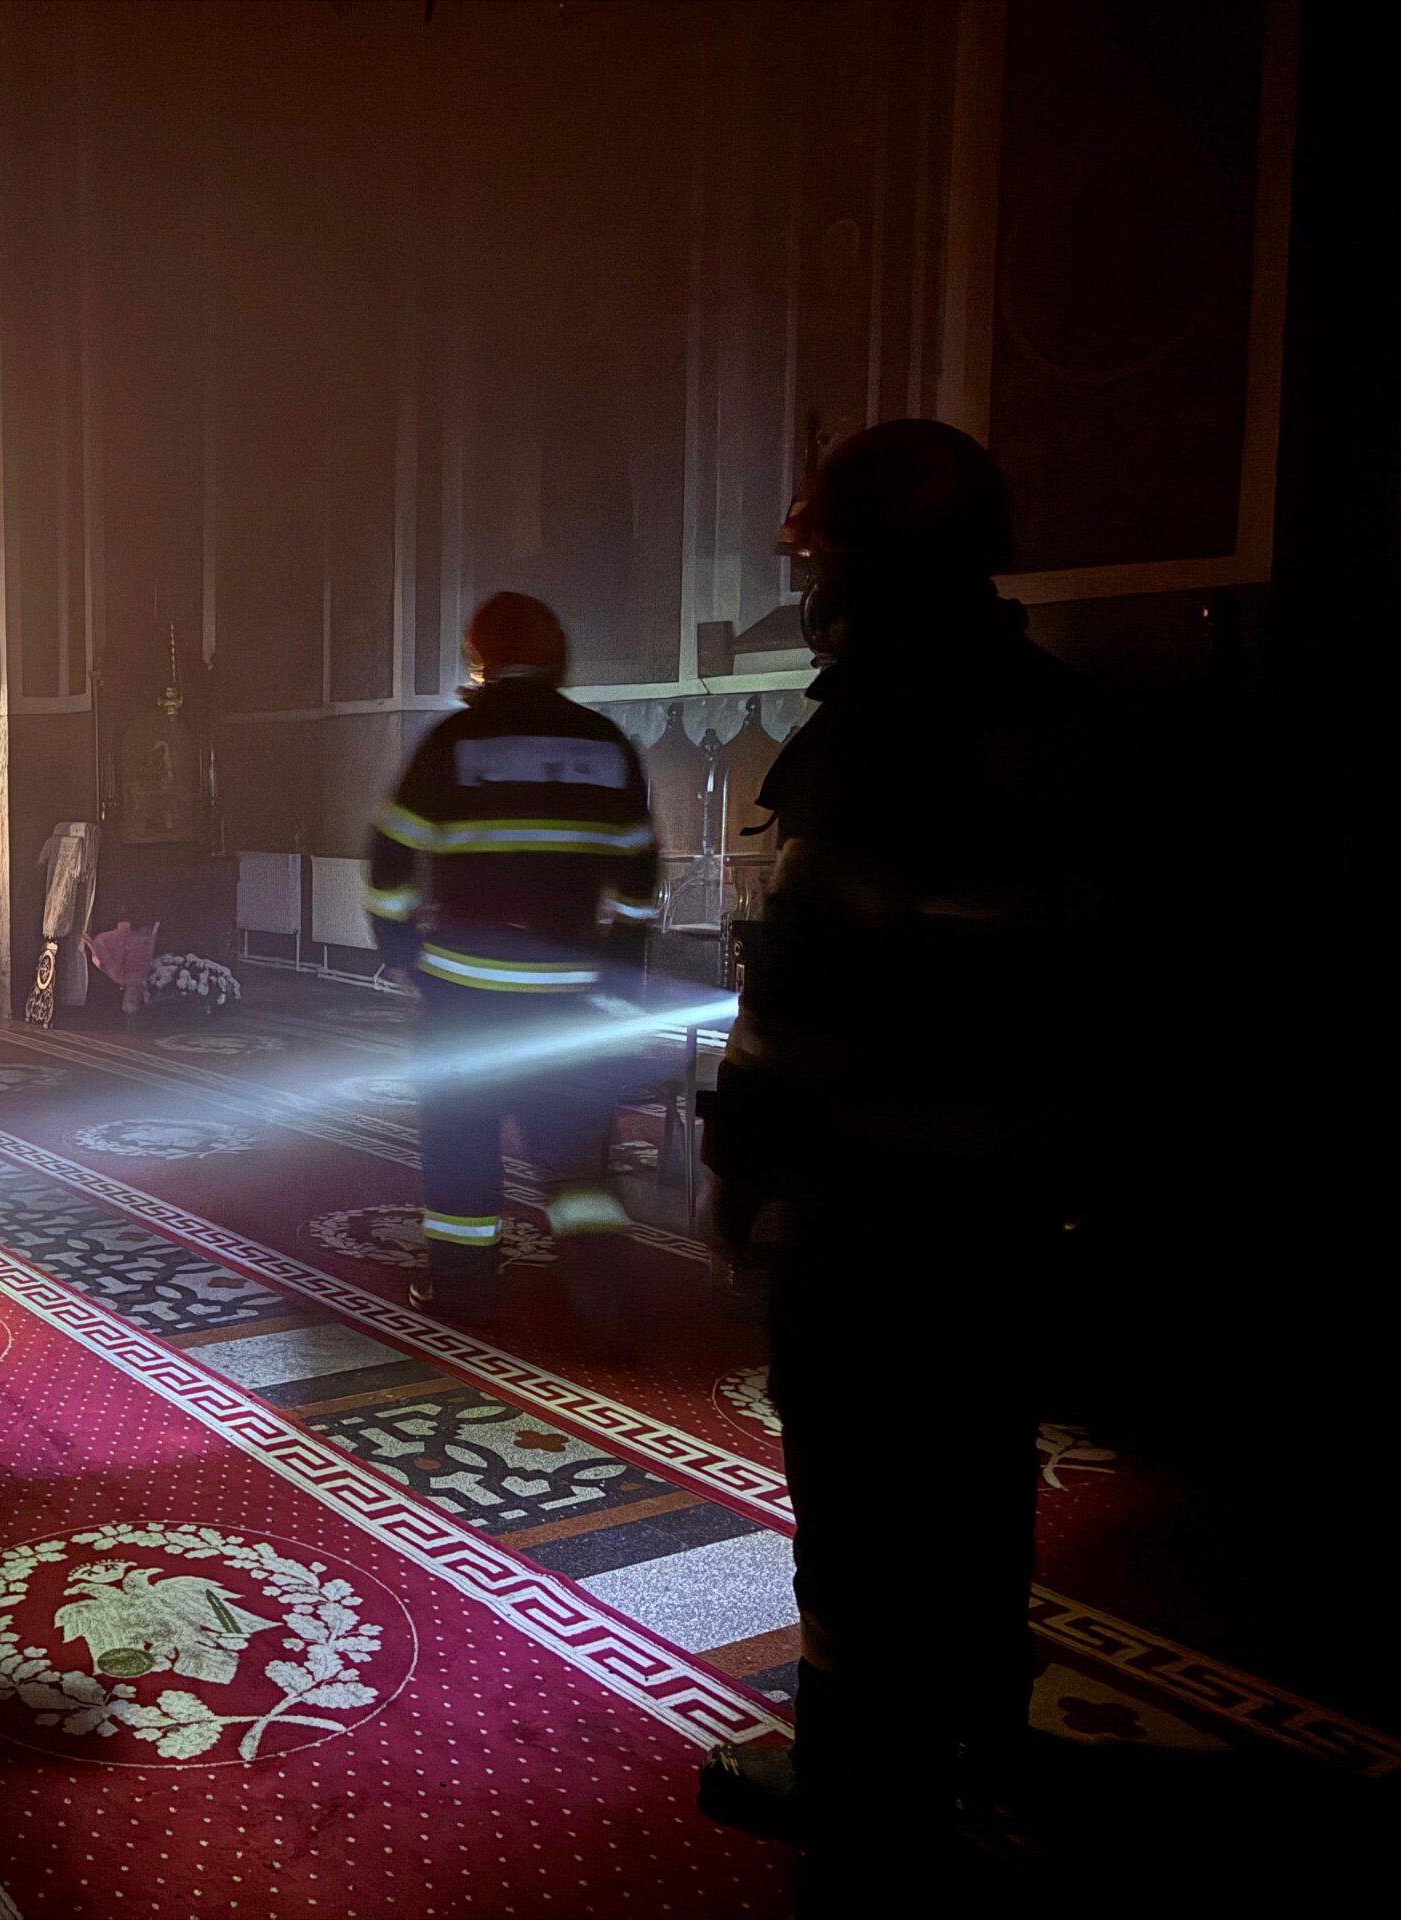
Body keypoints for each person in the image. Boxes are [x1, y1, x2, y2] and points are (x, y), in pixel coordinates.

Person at [697, 420, 1112, 1912]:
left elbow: (803, 993)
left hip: (877, 1205)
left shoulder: (875, 728)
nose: (807, 587)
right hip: (1018, 1196)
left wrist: (737, 1166)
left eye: (817, 556)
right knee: (981, 1480)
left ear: (864, 563)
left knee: (863, 1504)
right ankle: (986, 1761)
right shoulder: (1060, 712)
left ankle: (859, 1793)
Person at [364, 591, 659, 1316]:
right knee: (578, 1161)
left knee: (460, 1147)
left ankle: (464, 1291)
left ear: (480, 658)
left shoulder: (453, 742)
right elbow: (641, 877)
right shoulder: (605, 744)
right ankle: (606, 1301)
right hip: (567, 998)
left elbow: (389, 858)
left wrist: (404, 950)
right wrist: (619, 967)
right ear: (558, 658)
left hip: (463, 998)